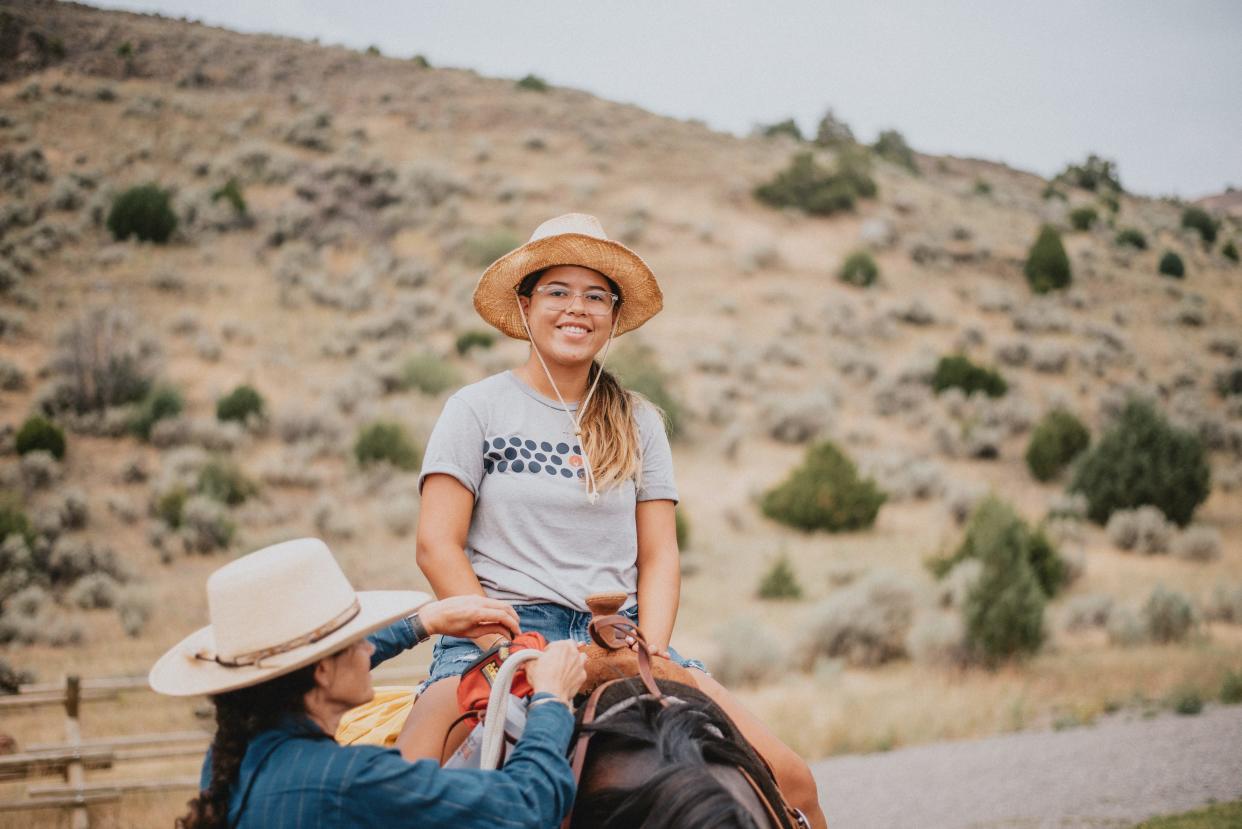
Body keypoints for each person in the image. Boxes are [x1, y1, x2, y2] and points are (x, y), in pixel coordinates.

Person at [399, 213, 826, 828]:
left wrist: (652, 648)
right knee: (413, 799)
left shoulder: (638, 421)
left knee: (795, 784)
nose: (578, 308)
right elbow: (437, 546)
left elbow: (659, 556)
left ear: (613, 314)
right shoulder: (475, 410)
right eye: (558, 291)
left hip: (620, 636)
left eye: (596, 295)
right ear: (525, 304)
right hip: (499, 633)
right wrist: (507, 643)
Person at [149, 537, 586, 829]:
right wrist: (551, 700)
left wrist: (423, 623)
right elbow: (526, 806)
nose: (367, 650)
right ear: (320, 672)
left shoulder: (230, 757)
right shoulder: (351, 782)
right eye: (355, 641)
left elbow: (314, 667)